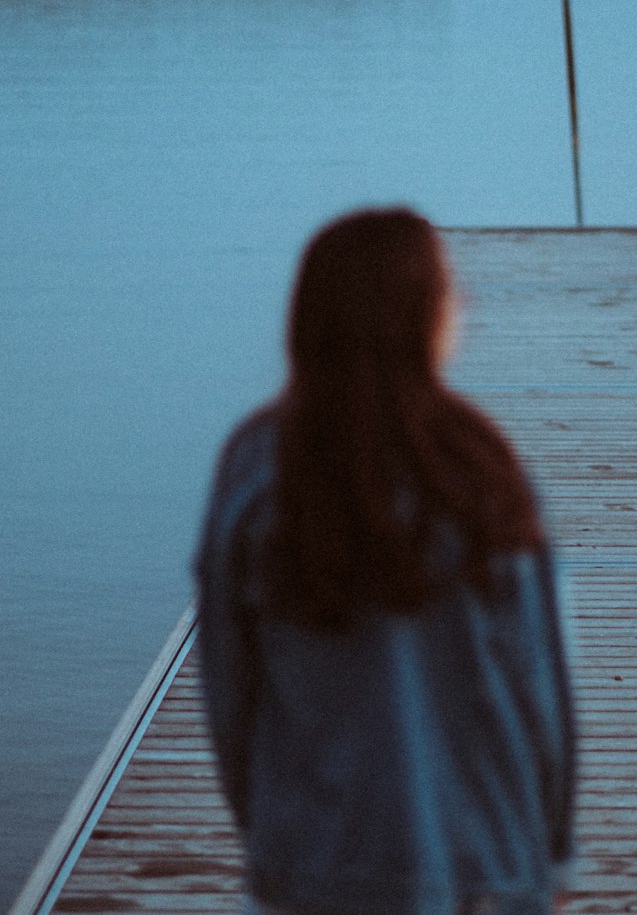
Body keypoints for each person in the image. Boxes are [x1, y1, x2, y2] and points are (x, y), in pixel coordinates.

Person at [195, 207, 576, 915]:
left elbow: (229, 689)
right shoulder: (483, 470)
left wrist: (275, 830)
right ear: (421, 315)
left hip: (311, 865)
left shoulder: (255, 468)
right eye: (450, 289)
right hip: (480, 871)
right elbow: (540, 689)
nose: (463, 305)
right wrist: (552, 851)